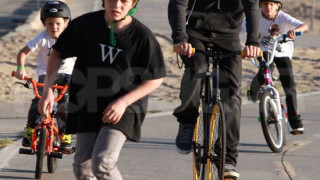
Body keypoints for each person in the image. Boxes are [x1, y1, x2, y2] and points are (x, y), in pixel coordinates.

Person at [38, 0, 166, 179]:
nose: (117, 5)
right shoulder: (85, 25)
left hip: (124, 106)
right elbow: (57, 53)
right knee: (82, 169)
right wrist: (48, 91)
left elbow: (156, 77)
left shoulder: (142, 36)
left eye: (124, 1)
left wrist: (123, 102)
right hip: (87, 103)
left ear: (133, 4)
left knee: (103, 163)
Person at [168, 0, 261, 178]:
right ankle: (187, 121)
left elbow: (252, 7)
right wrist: (180, 39)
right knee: (197, 70)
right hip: (195, 31)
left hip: (229, 35)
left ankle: (227, 159)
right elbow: (178, 4)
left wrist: (253, 42)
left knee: (231, 95)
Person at [15, 1, 75, 151]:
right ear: (44, 24)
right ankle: (30, 130)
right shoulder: (42, 37)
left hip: (67, 74)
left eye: (57, 23)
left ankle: (65, 133)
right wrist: (20, 68)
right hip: (46, 74)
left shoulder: (71, 37)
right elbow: (22, 52)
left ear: (66, 22)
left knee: (66, 102)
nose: (54, 27)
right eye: (50, 24)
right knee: (38, 99)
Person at [245, 0, 308, 134]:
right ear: (260, 5)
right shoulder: (255, 17)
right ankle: (253, 91)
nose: (268, 7)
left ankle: (295, 121)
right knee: (265, 71)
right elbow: (239, 28)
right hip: (264, 51)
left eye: (272, 4)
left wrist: (295, 32)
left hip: (283, 52)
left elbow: (304, 26)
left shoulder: (283, 17)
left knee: (289, 85)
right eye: (265, 4)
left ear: (278, 6)